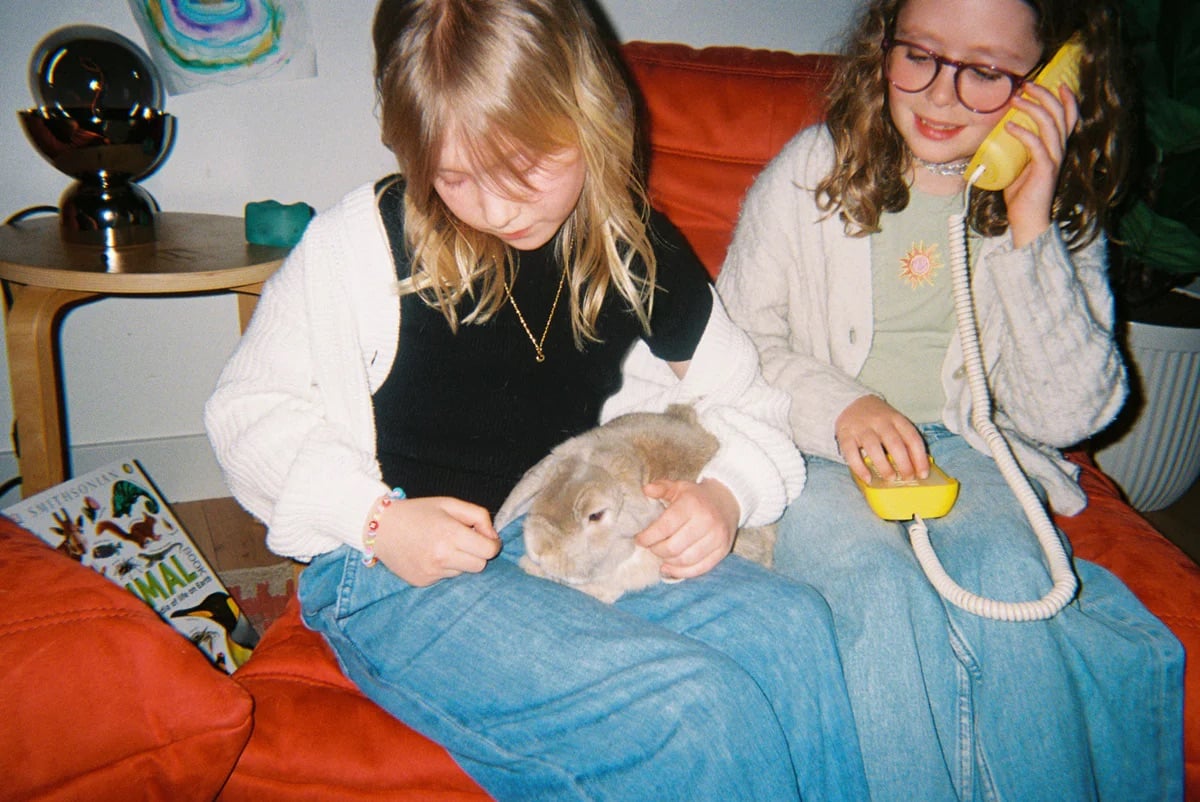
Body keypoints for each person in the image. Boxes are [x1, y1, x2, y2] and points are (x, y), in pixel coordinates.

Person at [205, 0, 869, 799]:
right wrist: (375, 518)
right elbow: (246, 412)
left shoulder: (637, 249)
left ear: (589, 117)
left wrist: (727, 496)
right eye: (454, 177)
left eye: (525, 168)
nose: (496, 206)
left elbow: (749, 403)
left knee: (792, 630)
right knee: (693, 710)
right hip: (390, 565)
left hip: (563, 539)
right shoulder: (362, 242)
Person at [715, 0, 1185, 799]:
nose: (940, 95)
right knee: (872, 586)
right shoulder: (810, 169)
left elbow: (1069, 416)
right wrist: (841, 407)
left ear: (1050, 87)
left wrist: (1030, 222)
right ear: (883, 46)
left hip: (977, 444)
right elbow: (737, 345)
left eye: (987, 73)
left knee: (1009, 575)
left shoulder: (1055, 210)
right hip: (818, 451)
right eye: (921, 55)